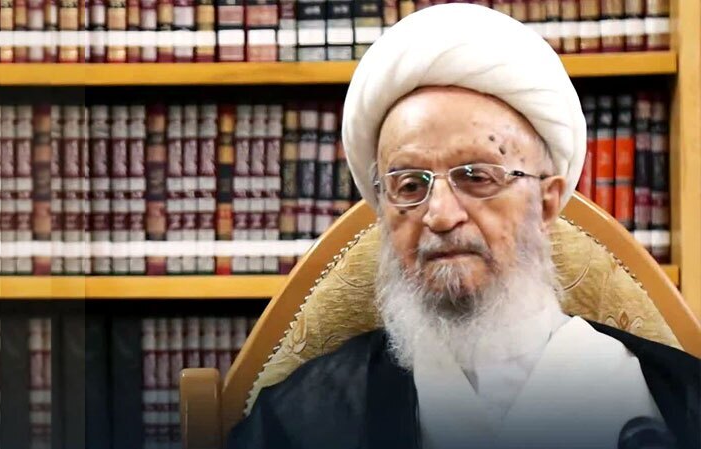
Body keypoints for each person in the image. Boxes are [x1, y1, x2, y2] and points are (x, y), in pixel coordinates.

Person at [226, 4, 700, 449]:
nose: (440, 215)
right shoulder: (302, 421)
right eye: (410, 185)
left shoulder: (675, 402)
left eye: (476, 177)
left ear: (547, 202)